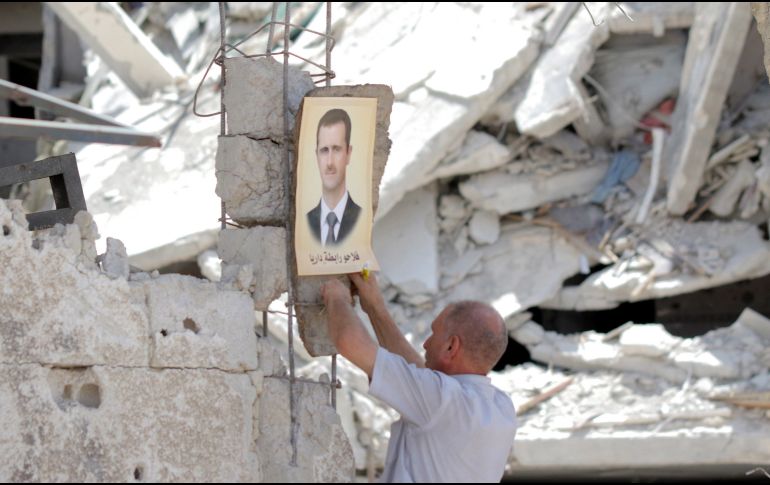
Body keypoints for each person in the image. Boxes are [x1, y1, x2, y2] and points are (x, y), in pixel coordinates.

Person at [321, 273, 517, 482]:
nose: (426, 344)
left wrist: (336, 296)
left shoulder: (441, 400)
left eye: (433, 334)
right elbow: (419, 376)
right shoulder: (502, 407)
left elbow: (350, 342)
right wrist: (375, 309)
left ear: (451, 346)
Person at [306, 108, 361, 247]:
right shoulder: (306, 222)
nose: (329, 162)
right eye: (324, 150)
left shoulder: (361, 219)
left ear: (348, 153)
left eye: (336, 149)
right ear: (316, 156)